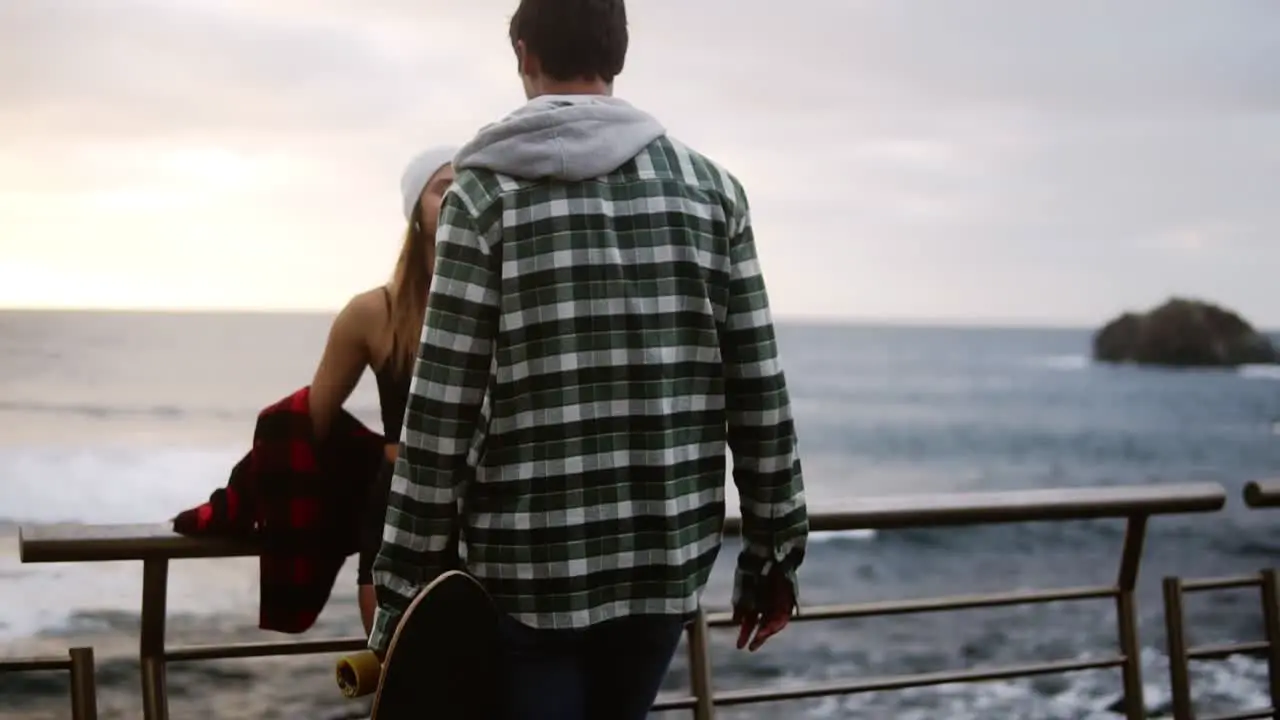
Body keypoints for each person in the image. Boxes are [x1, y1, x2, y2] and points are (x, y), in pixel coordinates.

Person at [368, 0, 809, 717]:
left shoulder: (483, 197)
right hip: (664, 564)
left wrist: (401, 594)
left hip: (529, 571)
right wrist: (773, 556)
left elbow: (439, 415)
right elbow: (759, 392)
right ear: (619, 54)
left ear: (522, 53)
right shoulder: (714, 193)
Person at [306, 145, 456, 634]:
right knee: (403, 677)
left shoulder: (508, 302)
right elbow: (314, 418)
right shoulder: (373, 312)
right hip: (397, 511)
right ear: (416, 211)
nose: (458, 196)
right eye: (443, 186)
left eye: (470, 186)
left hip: (489, 516)